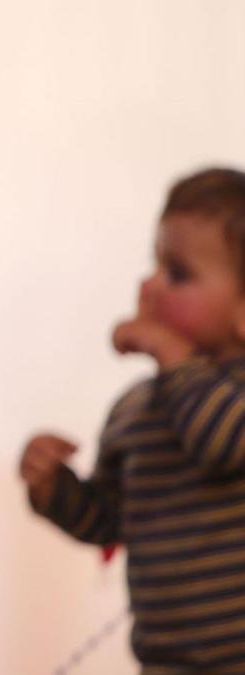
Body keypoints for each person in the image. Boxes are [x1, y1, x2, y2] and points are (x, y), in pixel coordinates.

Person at [21, 168, 245, 671]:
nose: (150, 284)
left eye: (178, 273)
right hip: (166, 661)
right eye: (154, 264)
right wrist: (54, 489)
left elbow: (225, 442)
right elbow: (108, 521)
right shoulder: (135, 410)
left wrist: (172, 355)